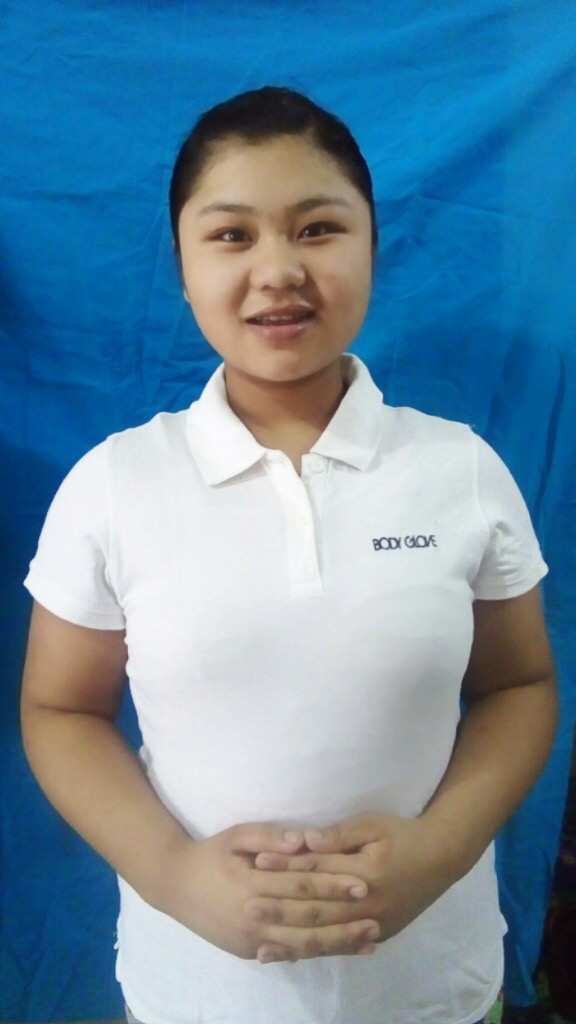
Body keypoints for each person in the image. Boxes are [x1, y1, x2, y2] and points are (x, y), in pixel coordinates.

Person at [20, 86, 557, 1024]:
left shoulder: (461, 469)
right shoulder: (115, 484)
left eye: (317, 229)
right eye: (231, 235)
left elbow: (520, 686)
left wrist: (438, 851)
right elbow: (60, 709)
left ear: (372, 247)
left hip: (435, 988)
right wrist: (175, 874)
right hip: (193, 993)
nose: (278, 270)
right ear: (184, 269)